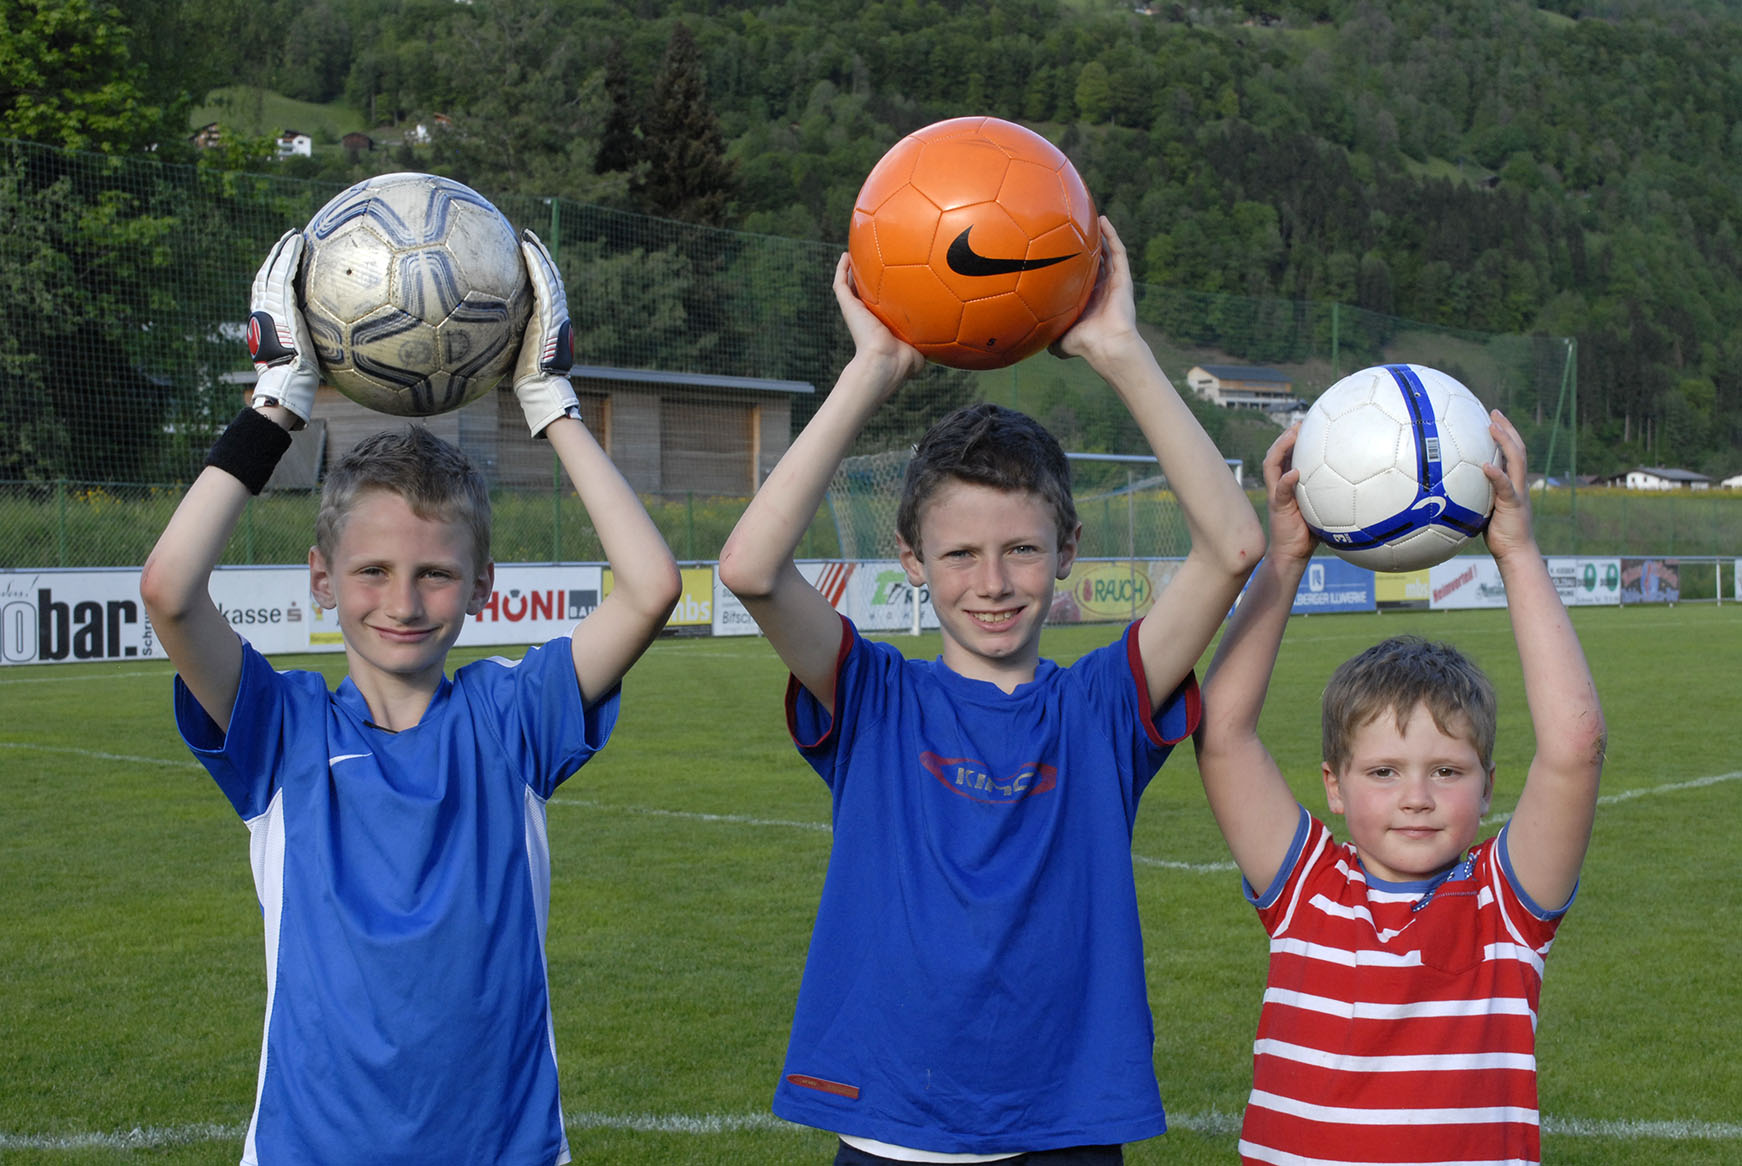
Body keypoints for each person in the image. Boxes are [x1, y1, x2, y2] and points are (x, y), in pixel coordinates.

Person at [718, 218, 1266, 1164]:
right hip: (894, 1125)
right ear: (911, 561)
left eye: (1022, 549)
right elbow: (751, 569)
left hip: (1065, 1128)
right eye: (960, 555)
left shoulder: (1100, 710)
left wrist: (1120, 350)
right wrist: (871, 369)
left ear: (1069, 550)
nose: (995, 583)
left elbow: (1234, 547)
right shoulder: (876, 701)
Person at [139, 228, 681, 1165]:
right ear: (321, 579)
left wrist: (549, 402)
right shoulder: (282, 732)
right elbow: (170, 590)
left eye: (435, 573)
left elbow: (651, 588)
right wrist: (277, 404)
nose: (402, 602)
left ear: (482, 586)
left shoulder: (510, 720)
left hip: (501, 1148)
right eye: (372, 571)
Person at [1192, 416, 1606, 1164]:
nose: (1417, 796)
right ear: (1335, 786)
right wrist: (1285, 557)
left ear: (1488, 788)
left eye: (1447, 771)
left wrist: (1516, 552)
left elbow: (1576, 748)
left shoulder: (1503, 908)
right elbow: (1220, 732)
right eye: (1383, 772)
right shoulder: (1308, 889)